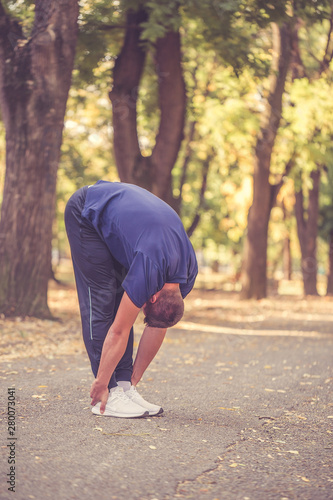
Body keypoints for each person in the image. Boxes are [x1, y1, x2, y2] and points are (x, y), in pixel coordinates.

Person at [65, 180, 198, 418]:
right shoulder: (151, 268)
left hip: (127, 228)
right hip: (86, 211)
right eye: (144, 308)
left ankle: (124, 387)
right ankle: (108, 394)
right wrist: (102, 382)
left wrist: (133, 381)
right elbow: (119, 330)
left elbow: (159, 324)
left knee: (121, 299)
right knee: (104, 298)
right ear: (155, 296)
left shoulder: (185, 278)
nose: (141, 309)